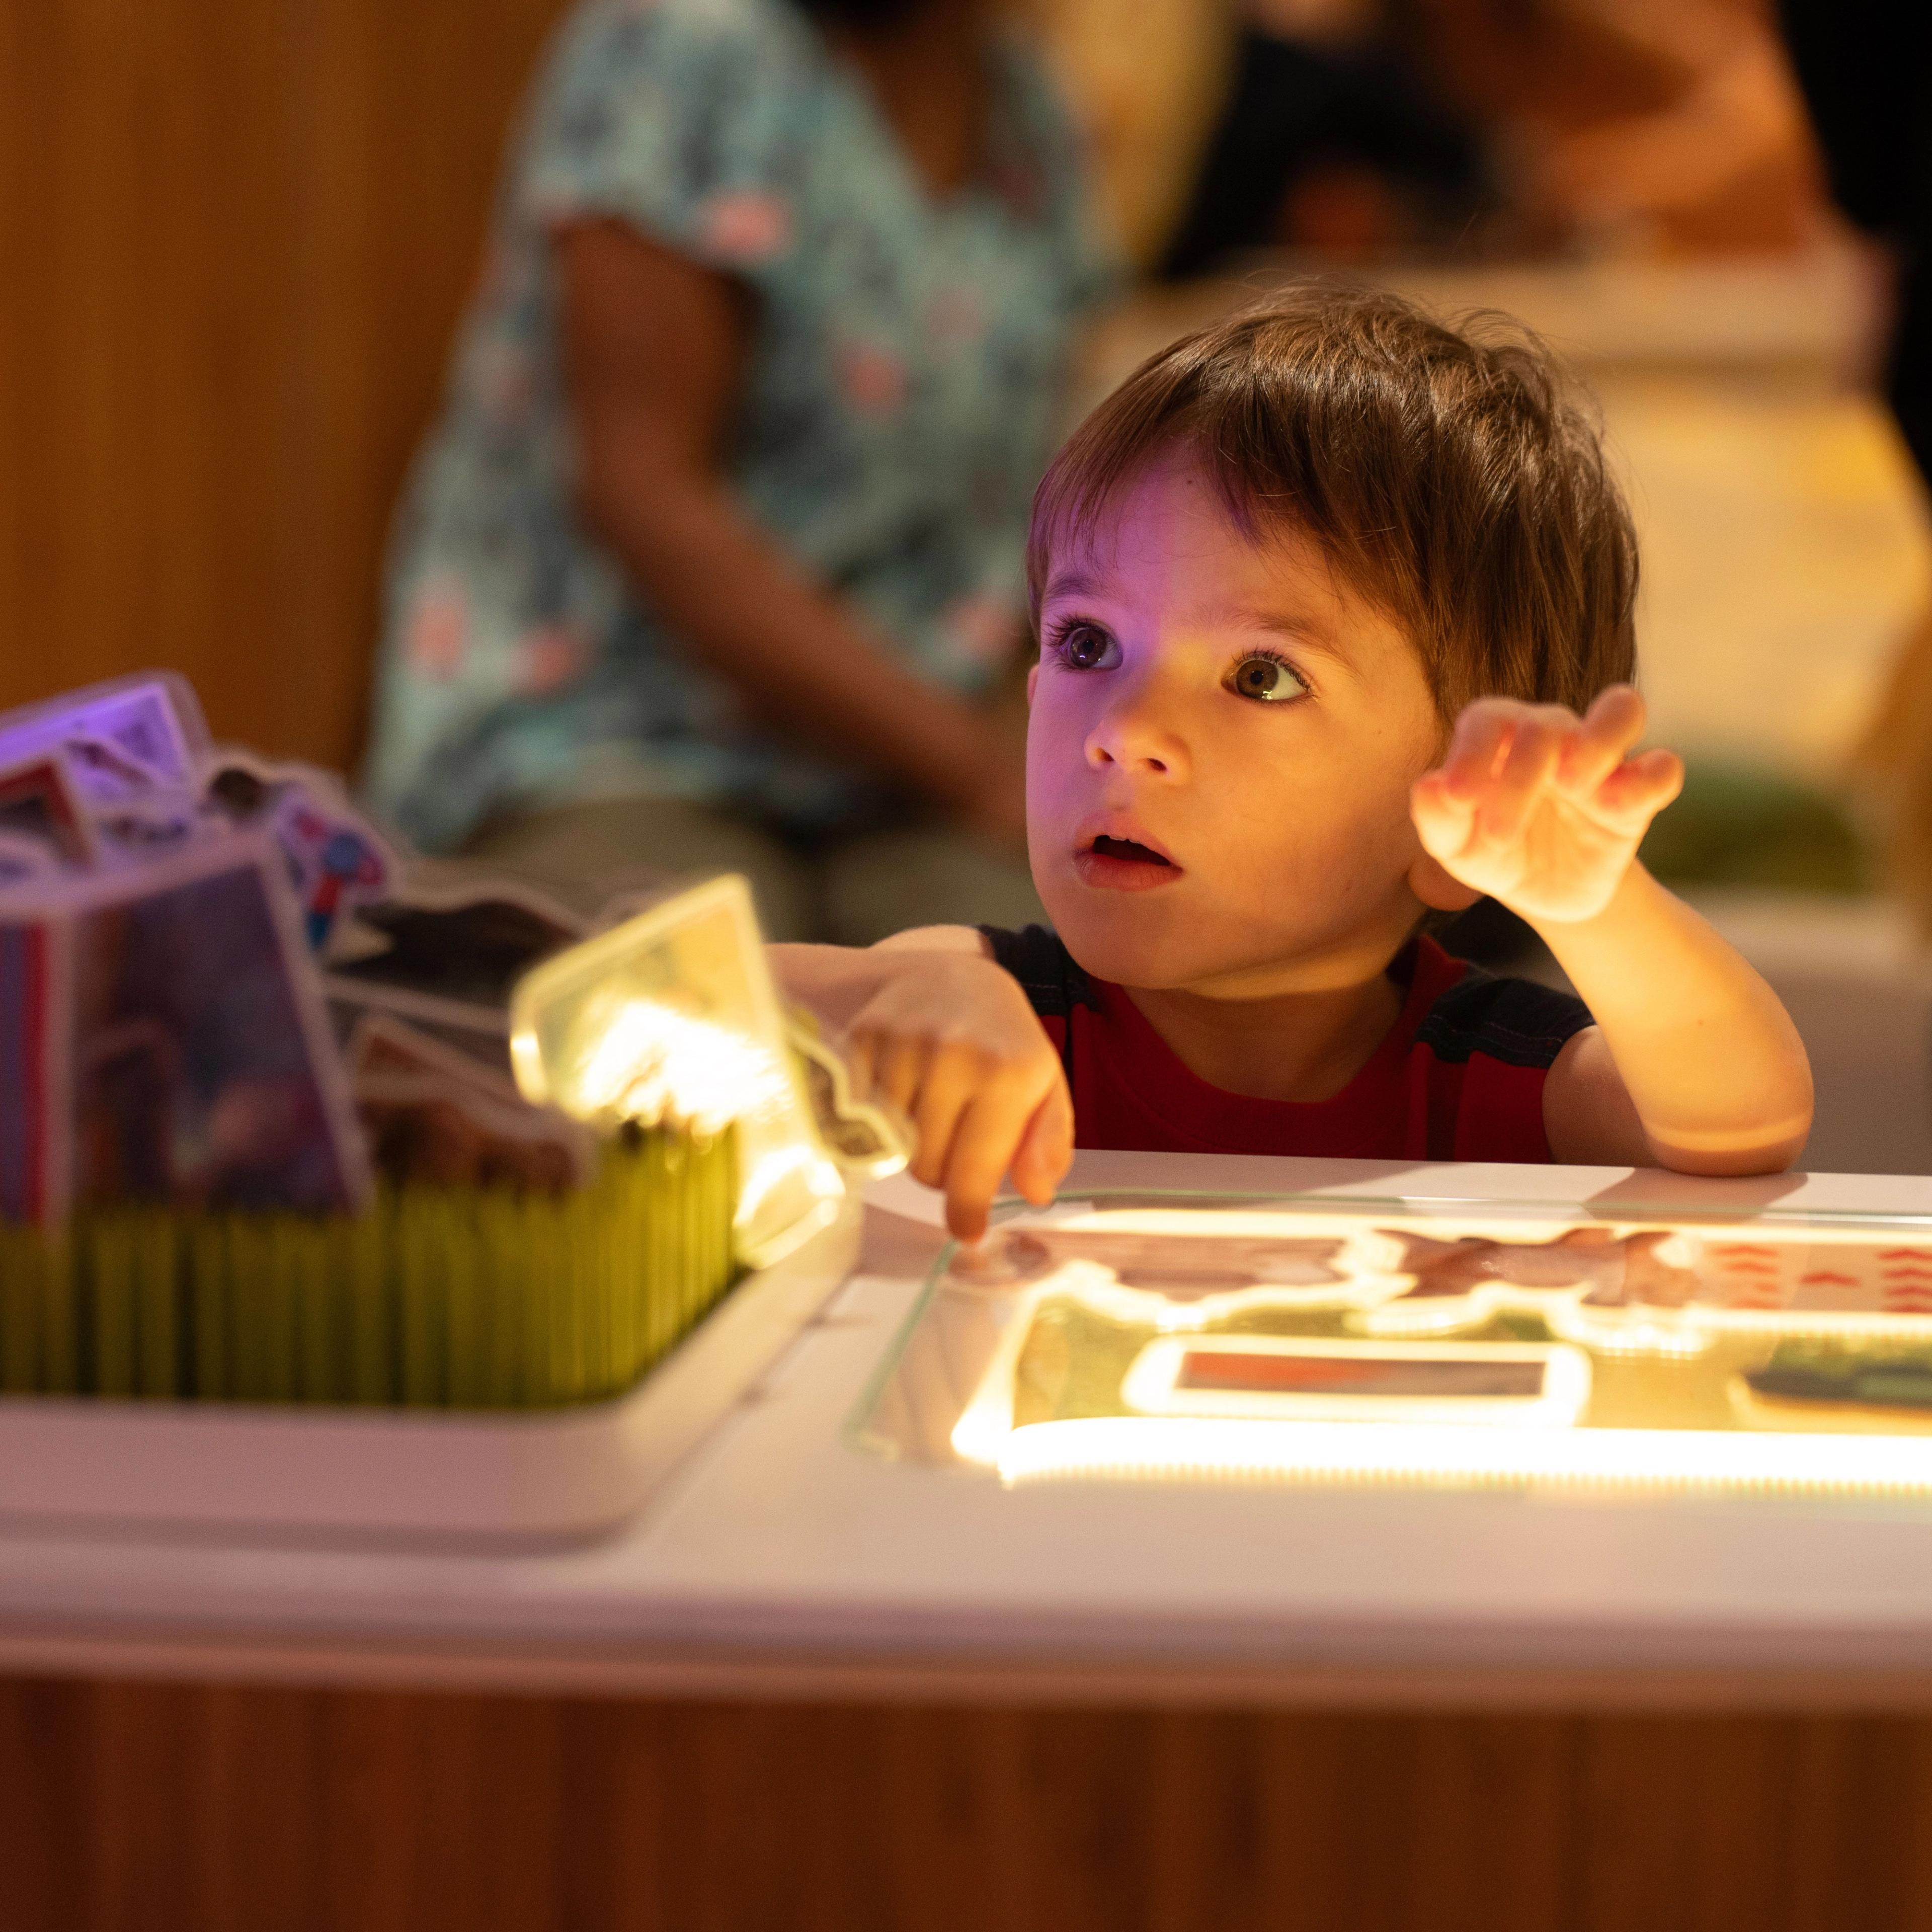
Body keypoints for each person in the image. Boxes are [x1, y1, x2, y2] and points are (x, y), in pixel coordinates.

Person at [774, 290, 1815, 1235]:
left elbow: (1742, 1127)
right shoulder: (999, 1007)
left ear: (1455, 813)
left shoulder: (1482, 1071)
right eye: (1088, 645)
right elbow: (671, 1004)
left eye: (1263, 677)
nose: (1123, 730)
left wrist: (1593, 904)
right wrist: (908, 1005)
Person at [361, 0, 1110, 941]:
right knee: (705, 1046)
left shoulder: (1024, 106)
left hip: (905, 777)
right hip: (617, 739)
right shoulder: (685, 46)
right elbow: (646, 495)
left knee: (1049, 1015)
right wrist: (984, 771)